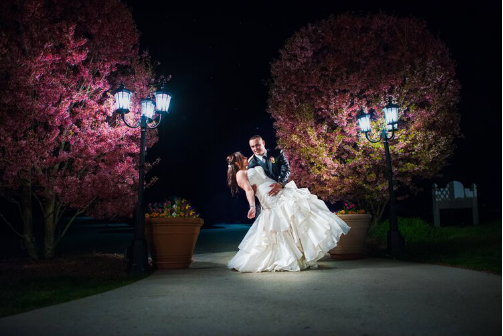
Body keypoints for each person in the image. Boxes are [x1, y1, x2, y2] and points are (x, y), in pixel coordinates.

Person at [226, 151, 350, 273]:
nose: (246, 157)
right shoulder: (240, 174)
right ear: (237, 163)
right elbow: (248, 190)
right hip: (269, 197)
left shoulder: (252, 163)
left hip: (279, 191)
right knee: (280, 224)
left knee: (296, 216)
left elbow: (260, 156)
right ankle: (286, 257)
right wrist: (252, 206)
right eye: (243, 157)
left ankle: (300, 254)